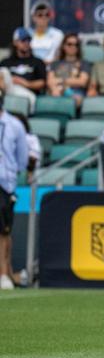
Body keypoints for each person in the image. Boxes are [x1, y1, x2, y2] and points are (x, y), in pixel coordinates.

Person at [0, 97, 29, 291]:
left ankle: (4, 274)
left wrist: (10, 175)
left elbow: (22, 159)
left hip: (4, 182)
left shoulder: (14, 125)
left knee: (4, 231)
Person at [0, 29, 46, 112]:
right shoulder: (6, 62)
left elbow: (42, 83)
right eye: (23, 40)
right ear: (15, 42)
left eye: (28, 40)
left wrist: (25, 83)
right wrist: (11, 80)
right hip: (8, 90)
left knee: (29, 98)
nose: (26, 43)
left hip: (28, 92)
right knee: (3, 71)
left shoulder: (37, 62)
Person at [47, 33, 90, 104]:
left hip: (76, 93)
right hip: (56, 91)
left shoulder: (84, 63)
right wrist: (54, 89)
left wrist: (62, 84)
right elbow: (50, 81)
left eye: (76, 45)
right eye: (69, 44)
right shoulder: (55, 63)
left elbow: (82, 82)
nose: (73, 47)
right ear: (64, 46)